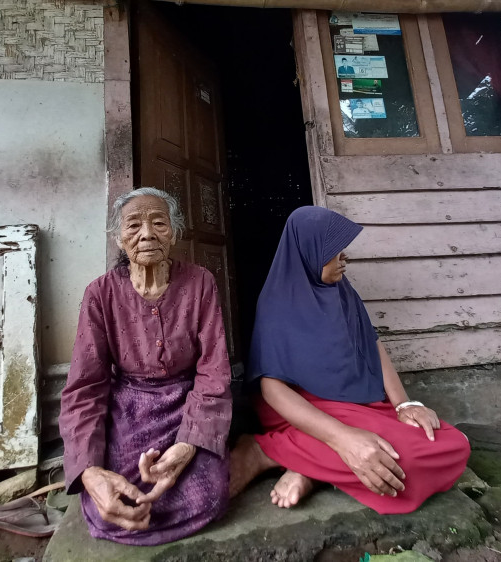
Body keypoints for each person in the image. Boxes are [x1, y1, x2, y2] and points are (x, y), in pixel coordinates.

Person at [230, 206, 470, 512]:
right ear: (310, 252)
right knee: (399, 461)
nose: (344, 258)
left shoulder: (343, 292)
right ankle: (266, 450)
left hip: (357, 401)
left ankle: (300, 464)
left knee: (454, 444)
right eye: (334, 251)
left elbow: (373, 345)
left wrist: (404, 405)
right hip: (300, 408)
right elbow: (272, 390)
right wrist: (343, 439)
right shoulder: (278, 302)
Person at [59, 187, 232, 545]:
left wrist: (189, 443)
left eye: (159, 223)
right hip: (129, 408)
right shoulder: (100, 293)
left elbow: (213, 371)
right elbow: (85, 386)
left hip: (189, 401)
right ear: (118, 238)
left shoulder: (200, 282)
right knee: (108, 505)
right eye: (134, 225)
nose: (147, 234)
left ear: (174, 233)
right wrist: (88, 471)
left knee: (209, 496)